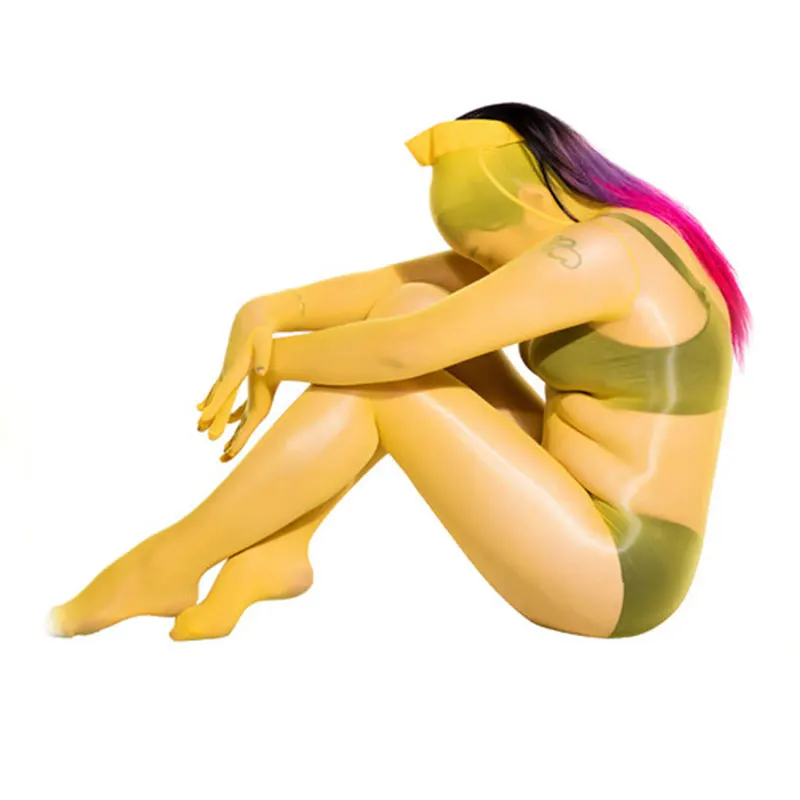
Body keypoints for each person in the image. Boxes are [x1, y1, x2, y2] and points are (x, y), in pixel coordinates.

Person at [49, 102, 751, 641]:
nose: (483, 270)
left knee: (394, 381)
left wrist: (273, 362)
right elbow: (409, 287)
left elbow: (401, 354)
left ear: (534, 200)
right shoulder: (620, 240)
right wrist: (266, 312)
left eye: (486, 252)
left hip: (618, 571)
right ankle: (280, 547)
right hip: (571, 506)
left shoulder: (600, 254)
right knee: (412, 303)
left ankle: (169, 562)